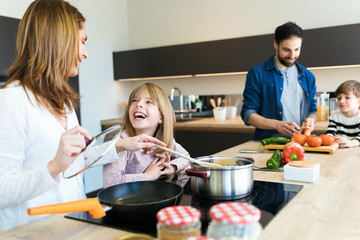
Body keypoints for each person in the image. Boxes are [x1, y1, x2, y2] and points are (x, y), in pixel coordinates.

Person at [0, 0, 165, 232]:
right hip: (33, 232)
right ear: (59, 41)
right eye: (82, 42)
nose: (85, 54)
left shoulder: (63, 101)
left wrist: (122, 145)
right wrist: (53, 167)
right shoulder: (12, 100)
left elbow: (75, 161)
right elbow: (2, 191)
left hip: (72, 225)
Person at [241, 22, 317, 140]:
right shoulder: (257, 73)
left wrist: (311, 119)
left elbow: (312, 109)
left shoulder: (308, 76)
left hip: (300, 143)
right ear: (276, 44)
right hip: (268, 143)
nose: (292, 55)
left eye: (297, 49)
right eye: (287, 50)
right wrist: (276, 125)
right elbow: (248, 114)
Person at [103, 83, 190, 188]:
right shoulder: (122, 141)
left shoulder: (162, 140)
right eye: (134, 100)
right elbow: (110, 183)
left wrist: (172, 166)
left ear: (161, 118)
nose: (138, 104)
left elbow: (185, 157)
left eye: (149, 102)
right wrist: (147, 176)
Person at [326, 80, 360, 148]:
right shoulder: (334, 116)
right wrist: (329, 138)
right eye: (339, 98)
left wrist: (352, 142)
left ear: (359, 101)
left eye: (347, 97)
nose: (341, 101)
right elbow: (330, 134)